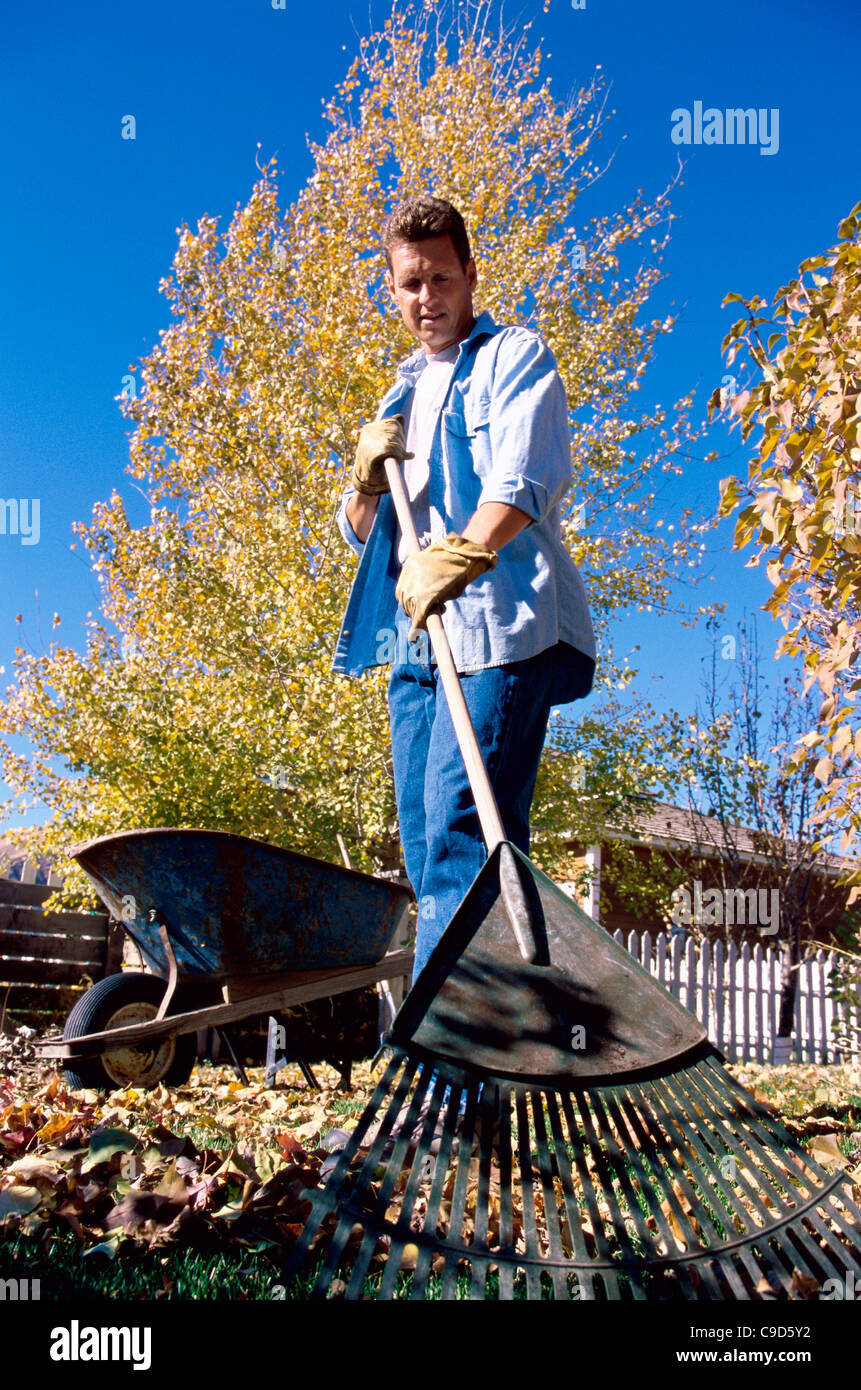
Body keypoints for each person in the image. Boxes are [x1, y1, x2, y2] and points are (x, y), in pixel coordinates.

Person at [334, 195, 595, 988]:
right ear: (392, 286)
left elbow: (525, 480)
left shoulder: (513, 356)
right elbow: (359, 531)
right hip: (417, 642)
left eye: (441, 279)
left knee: (463, 836)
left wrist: (462, 551)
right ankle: (489, 1044)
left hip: (503, 630)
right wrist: (363, 480)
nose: (427, 299)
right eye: (410, 284)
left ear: (469, 275)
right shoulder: (398, 394)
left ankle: (451, 1079)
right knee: (426, 850)